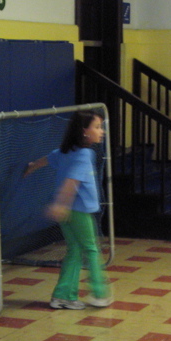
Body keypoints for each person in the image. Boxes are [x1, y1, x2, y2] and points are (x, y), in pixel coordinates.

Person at [24, 110, 112, 310]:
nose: (101, 131)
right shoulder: (83, 154)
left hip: (67, 212)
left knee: (74, 250)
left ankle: (63, 295)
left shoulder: (66, 151)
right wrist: (61, 205)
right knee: (91, 249)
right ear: (84, 131)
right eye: (97, 127)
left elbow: (47, 159)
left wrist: (31, 167)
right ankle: (99, 293)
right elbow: (71, 182)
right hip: (77, 211)